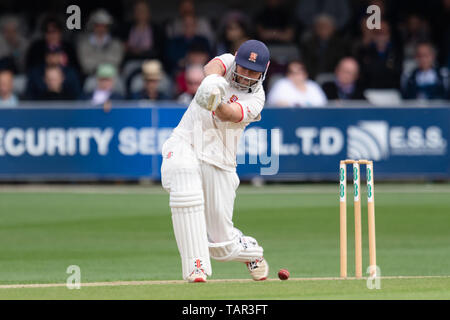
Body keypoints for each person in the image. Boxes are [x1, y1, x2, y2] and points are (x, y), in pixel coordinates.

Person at [160, 40, 270, 283]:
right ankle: (196, 267)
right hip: (186, 141)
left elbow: (229, 114)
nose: (246, 75)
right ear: (236, 60)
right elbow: (211, 68)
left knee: (222, 245)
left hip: (220, 160)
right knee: (182, 175)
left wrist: (214, 102)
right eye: (243, 68)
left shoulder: (257, 99)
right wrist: (212, 85)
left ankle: (250, 250)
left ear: (265, 70)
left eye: (254, 72)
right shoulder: (229, 62)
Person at [300, 14, 350, 79]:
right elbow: (305, 64)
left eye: (326, 26)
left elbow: (341, 64)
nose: (323, 29)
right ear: (315, 28)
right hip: (311, 78)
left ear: (333, 28)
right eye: (320, 26)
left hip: (335, 79)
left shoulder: (341, 45)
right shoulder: (308, 44)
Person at [77, 9, 124, 76]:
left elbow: (116, 62)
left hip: (112, 76)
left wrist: (96, 61)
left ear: (108, 27)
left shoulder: (116, 43)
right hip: (91, 76)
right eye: (97, 25)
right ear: (92, 26)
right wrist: (105, 61)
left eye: (104, 25)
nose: (101, 28)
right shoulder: (84, 44)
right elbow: (86, 64)